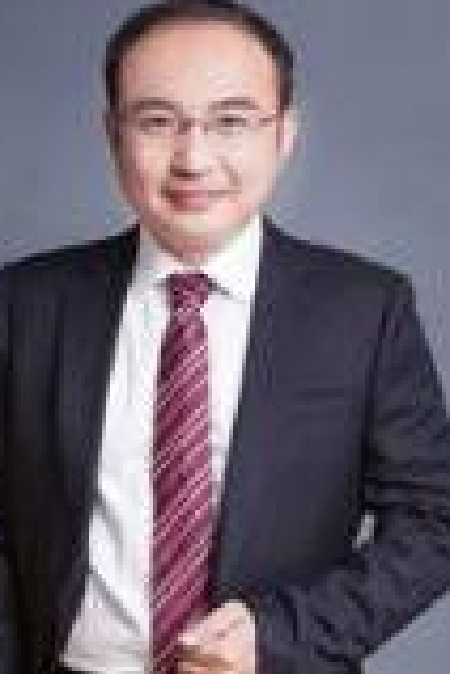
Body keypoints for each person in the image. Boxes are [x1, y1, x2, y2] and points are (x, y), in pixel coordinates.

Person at [0, 0, 449, 672]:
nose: (193, 158)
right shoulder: (26, 302)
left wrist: (279, 636)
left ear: (284, 133)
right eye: (157, 121)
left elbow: (433, 519)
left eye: (231, 121)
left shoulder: (365, 310)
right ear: (112, 134)